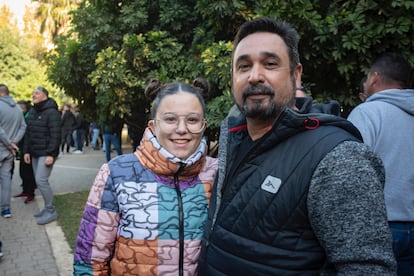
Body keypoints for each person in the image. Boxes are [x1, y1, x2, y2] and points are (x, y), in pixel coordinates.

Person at [199, 17, 396, 274]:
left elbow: (368, 268)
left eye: (270, 64)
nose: (255, 76)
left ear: (296, 74)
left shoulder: (338, 158)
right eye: (243, 66)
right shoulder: (233, 140)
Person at [73, 78, 218, 275]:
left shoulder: (218, 173)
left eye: (192, 119)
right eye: (170, 119)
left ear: (203, 125)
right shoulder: (116, 174)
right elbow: (90, 259)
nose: (182, 129)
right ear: (153, 125)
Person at [348, 52, 414, 275]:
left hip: (379, 227)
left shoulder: (367, 113)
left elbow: (350, 170)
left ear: (374, 78)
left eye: (366, 79)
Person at [23, 86, 61, 225]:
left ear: (44, 95)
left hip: (46, 153)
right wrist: (26, 151)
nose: (33, 94)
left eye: (37, 93)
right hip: (34, 153)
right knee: (39, 181)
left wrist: (51, 154)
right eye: (33, 92)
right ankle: (46, 208)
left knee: (41, 181)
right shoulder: (33, 111)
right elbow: (28, 133)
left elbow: (56, 135)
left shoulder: (52, 112)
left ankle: (51, 211)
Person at [0, 84, 26, 218]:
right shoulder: (17, 107)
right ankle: (6, 209)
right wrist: (14, 142)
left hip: (4, 146)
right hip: (11, 151)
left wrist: (8, 143)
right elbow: (23, 126)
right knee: (6, 180)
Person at [14, 100, 37, 204]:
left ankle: (30, 193)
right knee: (23, 171)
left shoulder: (30, 116)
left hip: (29, 148)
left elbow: (28, 134)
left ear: (23, 109)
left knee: (29, 172)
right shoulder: (23, 116)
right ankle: (25, 190)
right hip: (23, 147)